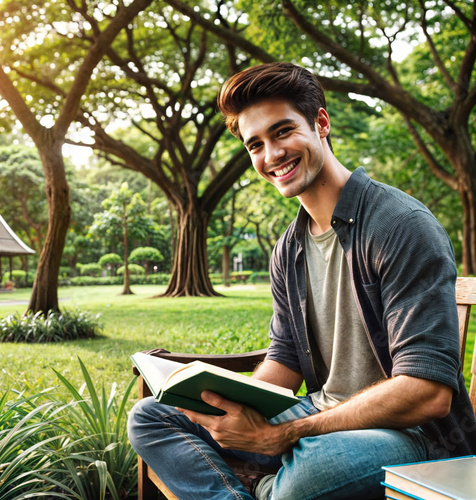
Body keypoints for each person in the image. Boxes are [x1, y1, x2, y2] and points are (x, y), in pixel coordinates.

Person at [128, 62, 476, 499]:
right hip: (317, 417)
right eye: (255, 144)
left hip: (412, 436)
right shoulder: (288, 249)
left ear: (321, 123)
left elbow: (427, 393)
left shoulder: (400, 226)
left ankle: (271, 488)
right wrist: (225, 404)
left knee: (309, 472)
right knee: (151, 416)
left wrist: (287, 434)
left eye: (282, 132)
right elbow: (286, 358)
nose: (271, 155)